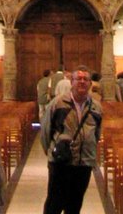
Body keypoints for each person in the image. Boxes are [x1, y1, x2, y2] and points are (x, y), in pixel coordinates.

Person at [41, 65, 103, 214]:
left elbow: (97, 134)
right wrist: (52, 152)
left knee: (75, 205)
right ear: (71, 82)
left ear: (90, 84)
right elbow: (45, 132)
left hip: (83, 163)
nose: (82, 82)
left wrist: (89, 152)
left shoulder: (96, 107)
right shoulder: (58, 103)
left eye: (85, 79)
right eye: (78, 79)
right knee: (54, 204)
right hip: (61, 162)